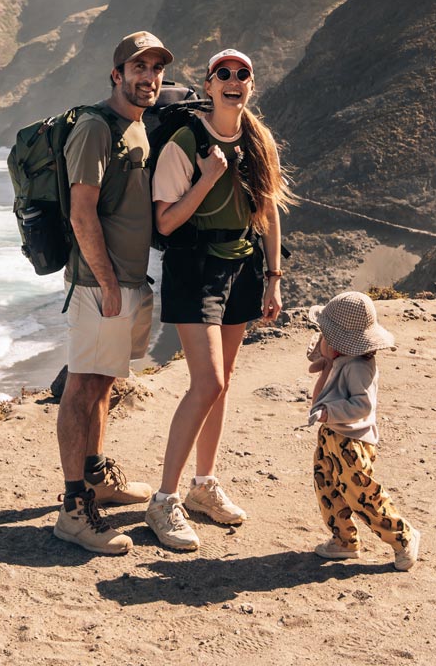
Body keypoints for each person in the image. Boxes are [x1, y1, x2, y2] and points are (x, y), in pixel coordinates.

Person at [144, 47, 290, 551]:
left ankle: (203, 487)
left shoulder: (257, 139)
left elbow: (268, 210)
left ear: (251, 84)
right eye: (223, 74)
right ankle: (163, 501)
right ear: (207, 85)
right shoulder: (184, 141)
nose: (233, 80)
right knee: (206, 383)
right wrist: (207, 178)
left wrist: (273, 277)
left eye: (243, 74)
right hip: (194, 269)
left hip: (243, 266)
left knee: (222, 385)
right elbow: (164, 222)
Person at [51, 30, 170, 555]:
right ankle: (74, 510)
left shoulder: (137, 127)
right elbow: (82, 212)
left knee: (103, 384)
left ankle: (97, 476)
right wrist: (105, 284)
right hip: (100, 284)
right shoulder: (96, 128)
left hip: (125, 280)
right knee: (82, 387)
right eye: (137, 68)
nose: (148, 77)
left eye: (155, 69)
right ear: (116, 74)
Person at [305, 290, 421, 568]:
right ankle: (344, 540)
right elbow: (317, 361)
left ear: (339, 342)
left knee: (362, 494)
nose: (321, 337)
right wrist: (324, 357)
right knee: (328, 487)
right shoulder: (339, 359)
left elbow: (362, 406)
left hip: (352, 443)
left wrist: (329, 412)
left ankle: (403, 535)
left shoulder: (358, 368)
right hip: (332, 436)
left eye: (325, 334)